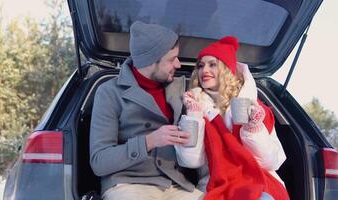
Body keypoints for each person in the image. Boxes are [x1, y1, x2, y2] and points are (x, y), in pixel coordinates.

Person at [89, 21, 203, 200]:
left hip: (174, 184)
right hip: (127, 185)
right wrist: (149, 141)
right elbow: (99, 161)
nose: (179, 65)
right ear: (151, 61)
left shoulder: (182, 89)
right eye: (172, 59)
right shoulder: (110, 93)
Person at [175, 36, 290, 200]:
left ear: (226, 69)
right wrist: (193, 115)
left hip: (259, 181)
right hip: (215, 183)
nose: (204, 70)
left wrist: (254, 130)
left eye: (212, 64)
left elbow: (270, 162)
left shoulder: (254, 107)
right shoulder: (195, 106)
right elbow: (190, 161)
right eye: (200, 65)